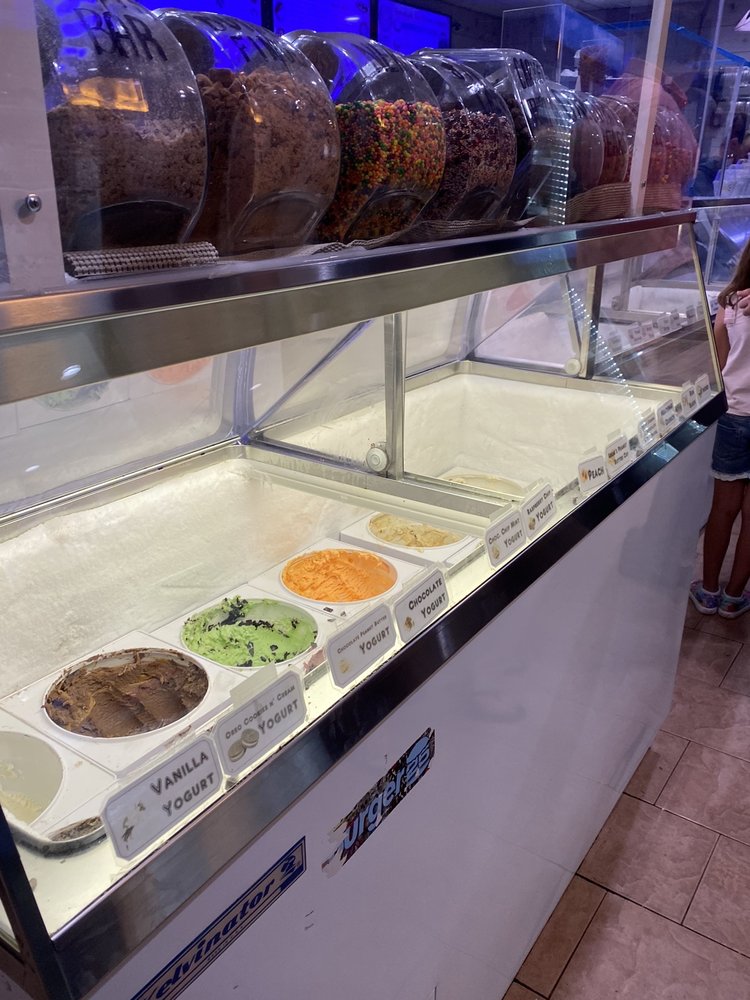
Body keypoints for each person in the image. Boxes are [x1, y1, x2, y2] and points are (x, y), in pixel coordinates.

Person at [691, 248, 750, 617]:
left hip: (735, 415)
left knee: (722, 510)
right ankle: (734, 597)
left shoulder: (729, 306)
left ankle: (709, 590)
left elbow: (721, 364)